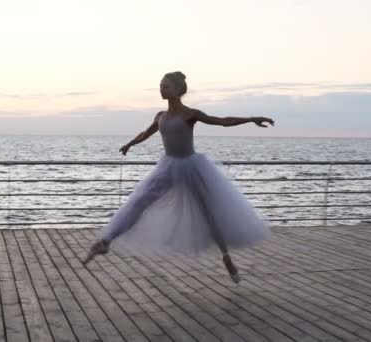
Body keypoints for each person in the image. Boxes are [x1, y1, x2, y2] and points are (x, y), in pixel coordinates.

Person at [82, 71, 274, 283]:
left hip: (192, 167)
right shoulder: (160, 116)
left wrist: (250, 119)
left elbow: (221, 121)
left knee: (208, 212)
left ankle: (226, 255)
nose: (161, 89)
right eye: (160, 85)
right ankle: (106, 241)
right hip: (168, 167)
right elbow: (146, 133)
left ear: (177, 90)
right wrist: (130, 144)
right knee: (139, 201)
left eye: (165, 86)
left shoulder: (189, 114)